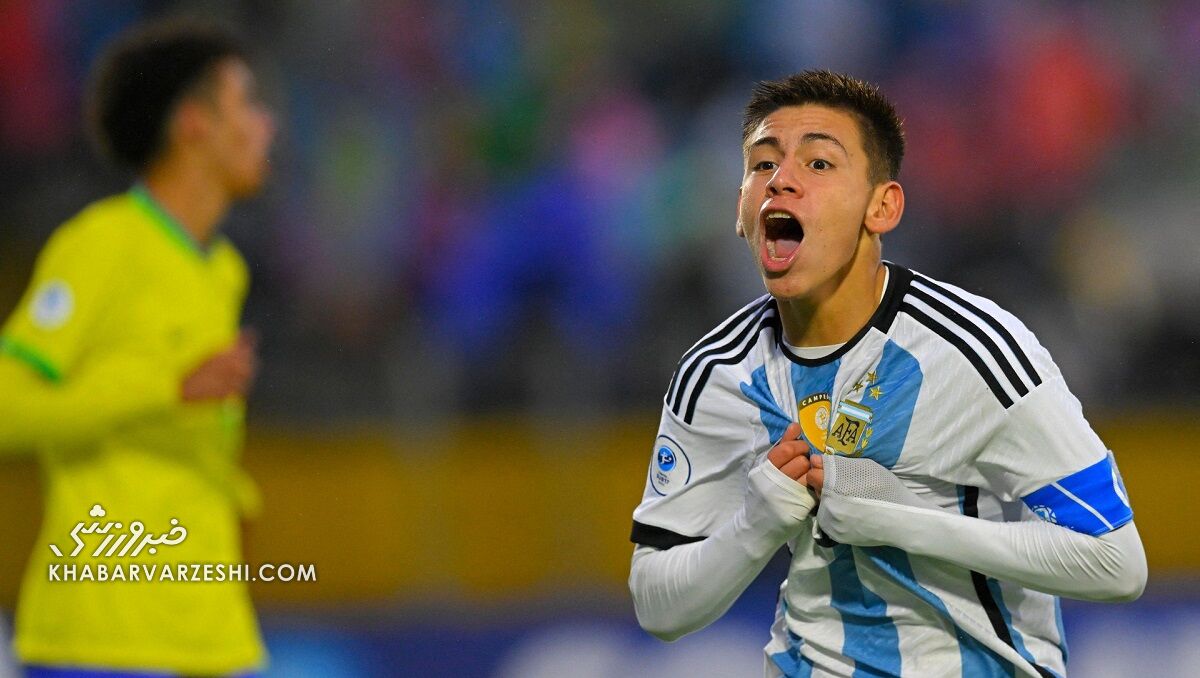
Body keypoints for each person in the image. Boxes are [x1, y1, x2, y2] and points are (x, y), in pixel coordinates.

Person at [627, 70, 1146, 677]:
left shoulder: (972, 348)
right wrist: (754, 527)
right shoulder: (715, 373)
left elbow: (1116, 560)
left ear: (883, 206)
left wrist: (898, 523)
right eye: (763, 164)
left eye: (819, 163)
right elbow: (658, 606)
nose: (781, 180)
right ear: (741, 211)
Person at [0, 19, 275, 677]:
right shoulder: (101, 246)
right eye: (246, 104)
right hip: (105, 637)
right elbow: (7, 408)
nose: (266, 125)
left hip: (211, 633)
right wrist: (166, 390)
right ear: (193, 125)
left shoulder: (222, 270)